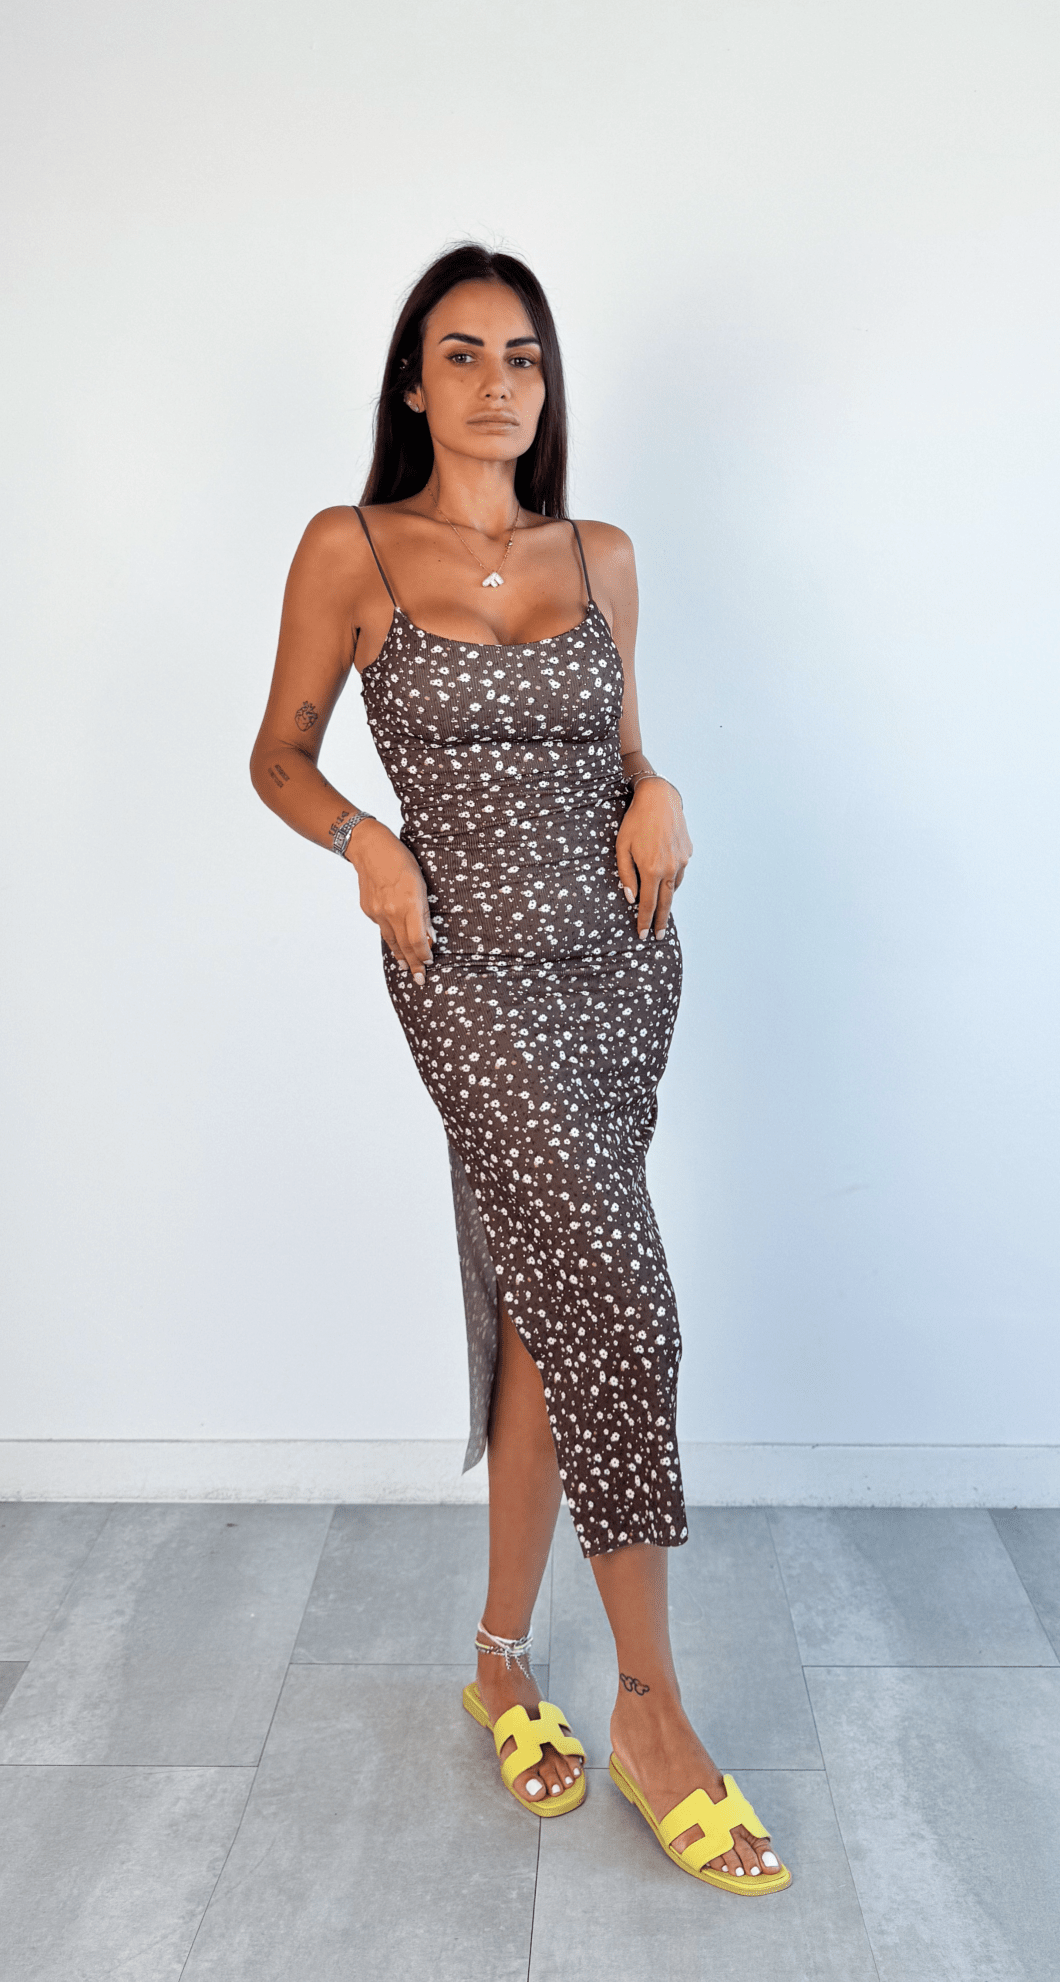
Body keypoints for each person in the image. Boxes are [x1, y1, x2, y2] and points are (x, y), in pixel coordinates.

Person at [250, 244, 788, 1892]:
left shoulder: (599, 554)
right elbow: (277, 754)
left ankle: (499, 1661)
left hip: (619, 963)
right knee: (621, 1291)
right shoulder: (350, 547)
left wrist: (661, 787)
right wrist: (363, 838)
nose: (498, 382)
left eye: (525, 357)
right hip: (466, 969)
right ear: (414, 384)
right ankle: (652, 1712)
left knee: (558, 1300)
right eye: (464, 353)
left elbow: (618, 748)